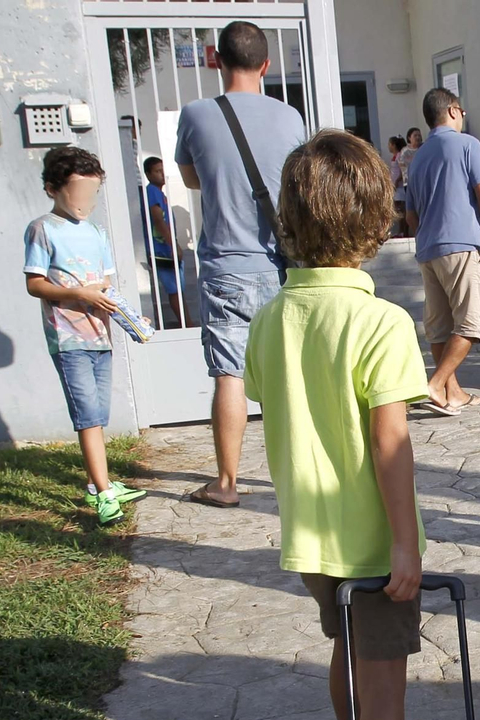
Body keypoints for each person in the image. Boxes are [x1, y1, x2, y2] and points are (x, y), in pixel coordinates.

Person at [242, 129, 429, 720]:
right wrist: (405, 544)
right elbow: (389, 444)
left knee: (347, 649)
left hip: (311, 538)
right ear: (378, 219)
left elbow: (274, 400)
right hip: (371, 541)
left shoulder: (269, 319)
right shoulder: (381, 323)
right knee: (384, 674)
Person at [174, 20, 306, 508]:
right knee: (282, 374)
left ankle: (226, 482)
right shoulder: (290, 119)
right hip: (278, 265)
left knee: (229, 374)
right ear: (266, 65)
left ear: (216, 60)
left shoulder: (196, 115)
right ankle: (292, 479)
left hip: (225, 266)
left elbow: (192, 179)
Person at [22, 147, 147, 525]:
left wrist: (118, 308)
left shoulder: (95, 232)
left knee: (99, 414)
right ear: (52, 189)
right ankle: (104, 493)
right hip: (69, 338)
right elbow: (34, 284)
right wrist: (78, 294)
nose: (84, 202)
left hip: (100, 336)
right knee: (88, 418)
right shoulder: (42, 229)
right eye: (77, 193)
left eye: (91, 194)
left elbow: (105, 280)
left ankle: (100, 482)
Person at [403, 87, 480, 415]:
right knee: (469, 324)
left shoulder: (417, 157)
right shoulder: (467, 145)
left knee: (438, 326)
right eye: (462, 112)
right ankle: (434, 384)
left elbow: (410, 214)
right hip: (463, 244)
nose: (464, 117)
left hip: (428, 249)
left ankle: (453, 393)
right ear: (452, 110)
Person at [142, 156, 193, 329]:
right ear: (148, 174)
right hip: (162, 250)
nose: (162, 174)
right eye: (157, 171)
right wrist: (173, 244)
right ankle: (186, 324)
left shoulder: (159, 193)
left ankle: (187, 322)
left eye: (163, 170)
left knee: (178, 288)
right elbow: (158, 220)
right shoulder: (152, 192)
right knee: (175, 289)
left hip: (165, 248)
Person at [399, 127, 423, 235]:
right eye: (415, 135)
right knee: (411, 209)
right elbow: (405, 166)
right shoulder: (405, 151)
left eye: (419, 135)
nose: (418, 137)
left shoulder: (424, 148)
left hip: (423, 183)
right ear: (409, 138)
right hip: (409, 183)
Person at [388, 135, 408, 237]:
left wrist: (396, 181)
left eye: (390, 144)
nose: (389, 146)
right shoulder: (395, 156)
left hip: (399, 187)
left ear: (394, 145)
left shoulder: (400, 155)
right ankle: (400, 230)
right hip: (395, 186)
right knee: (398, 209)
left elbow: (401, 170)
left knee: (401, 210)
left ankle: (403, 231)